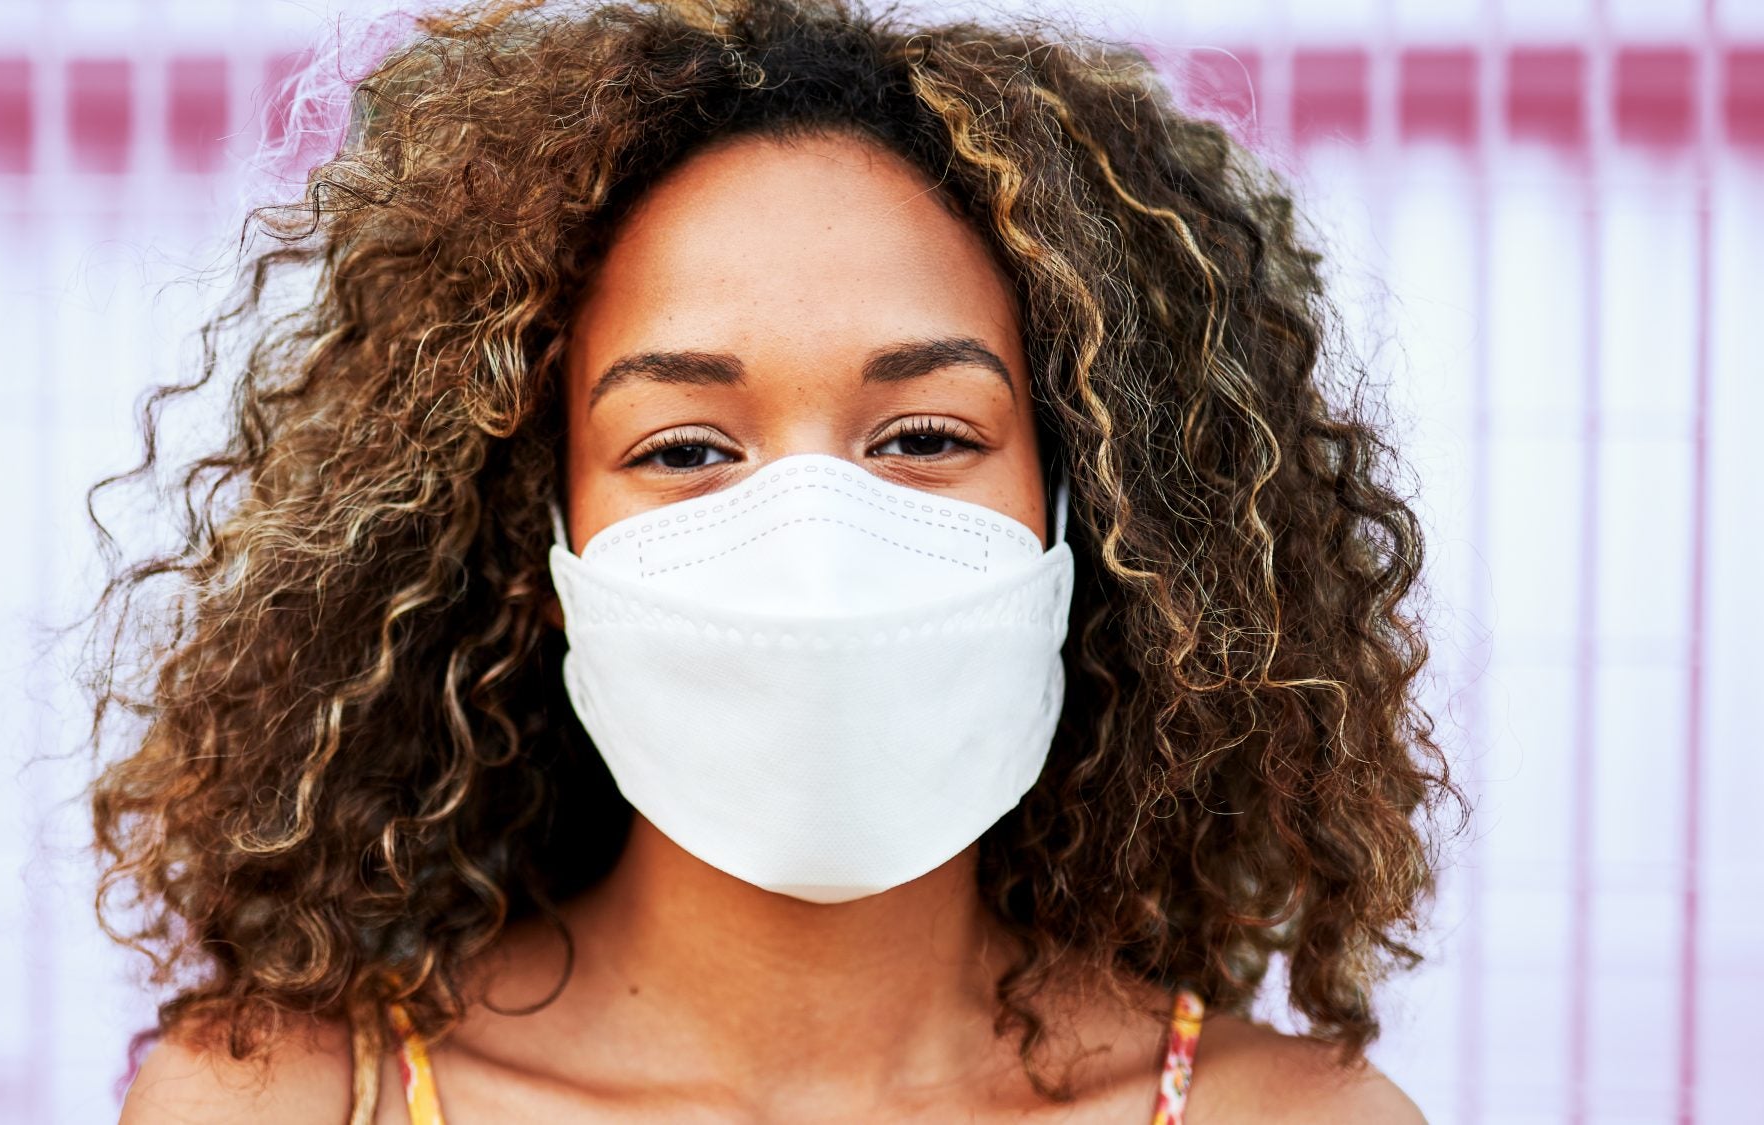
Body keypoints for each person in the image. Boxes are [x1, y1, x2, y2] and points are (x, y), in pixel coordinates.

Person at [95, 0, 1461, 1120]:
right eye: (686, 448)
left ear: (1087, 509)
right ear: (537, 543)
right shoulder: (287, 1102)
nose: (814, 540)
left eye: (925, 433)